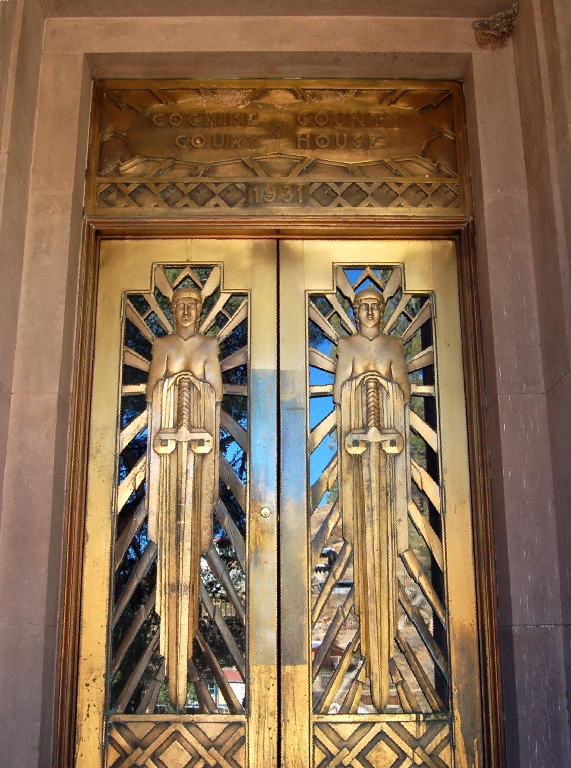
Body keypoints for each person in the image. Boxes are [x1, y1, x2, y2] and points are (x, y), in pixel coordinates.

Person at [333, 287, 410, 404]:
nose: (369, 312)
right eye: (364, 306)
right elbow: (338, 394)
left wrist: (382, 382)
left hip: (389, 416)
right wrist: (359, 381)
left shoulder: (394, 345)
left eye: (374, 306)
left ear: (382, 312)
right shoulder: (346, 345)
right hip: (355, 417)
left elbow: (405, 394)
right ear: (357, 313)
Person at [146, 287, 223, 403]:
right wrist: (174, 381)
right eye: (181, 305)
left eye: (191, 306)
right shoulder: (162, 344)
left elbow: (217, 395)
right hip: (168, 415)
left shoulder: (209, 345)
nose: (186, 311)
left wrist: (194, 382)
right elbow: (151, 394)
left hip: (201, 416)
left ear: (198, 311)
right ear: (174, 310)